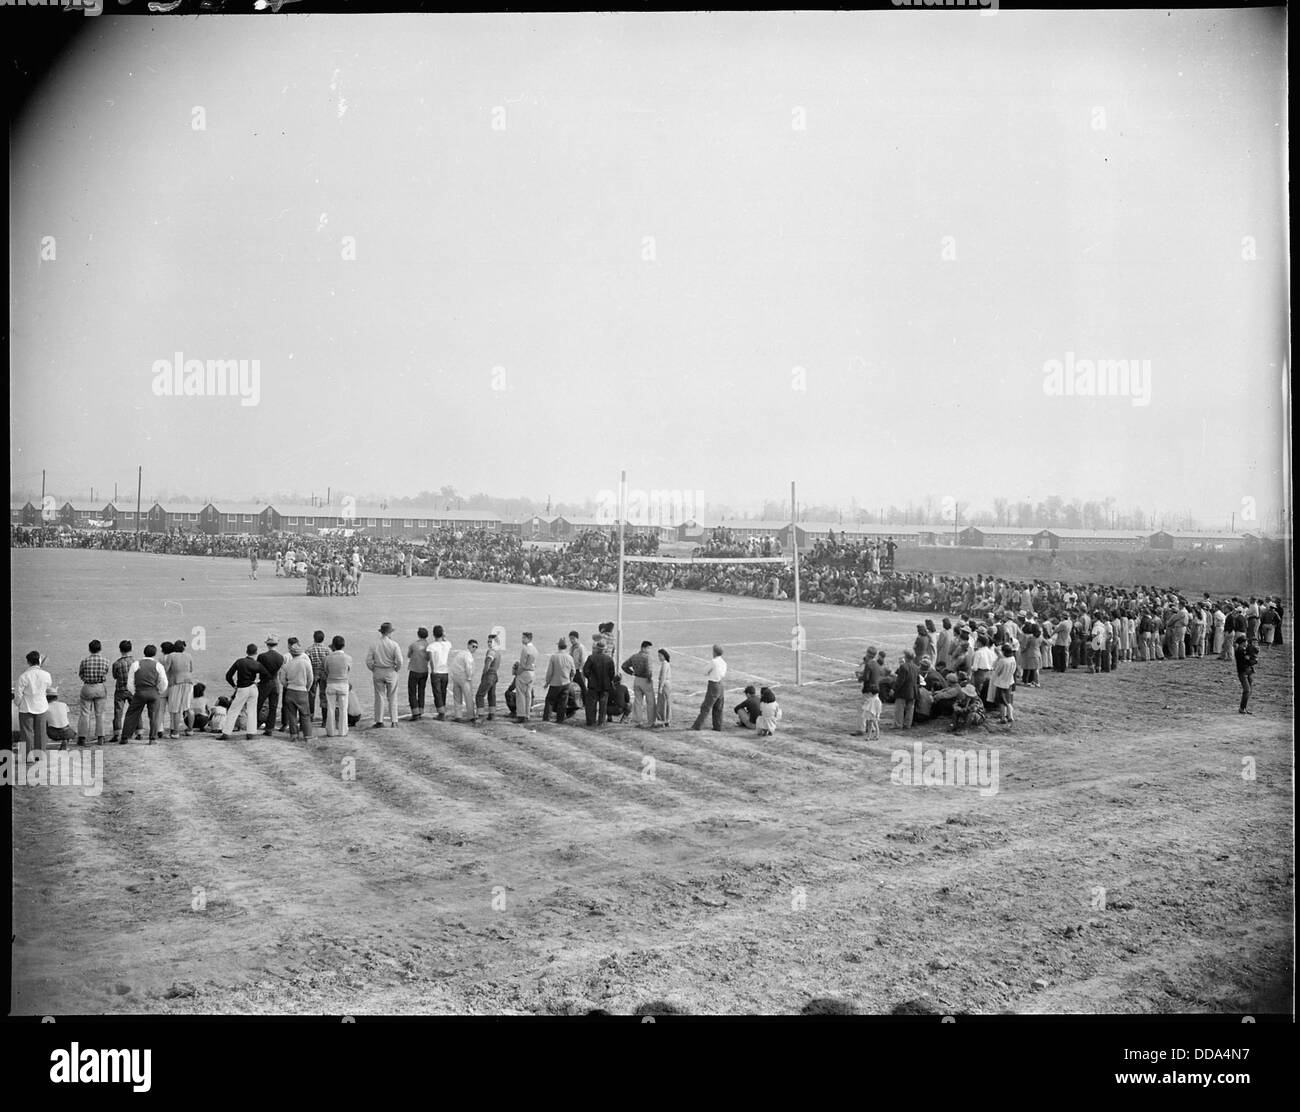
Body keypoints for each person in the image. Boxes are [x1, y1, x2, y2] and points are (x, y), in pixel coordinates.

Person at [123, 644, 169, 744]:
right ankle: (152, 738)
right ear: (154, 654)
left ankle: (125, 737)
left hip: (140, 692)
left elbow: (130, 682)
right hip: (153, 692)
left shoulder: (136, 664)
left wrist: (134, 692)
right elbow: (164, 682)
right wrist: (159, 691)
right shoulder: (158, 665)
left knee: (131, 714)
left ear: (144, 652)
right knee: (154, 716)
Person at [222, 644, 267, 741]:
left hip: (242, 688)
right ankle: (251, 733)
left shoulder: (240, 662)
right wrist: (258, 682)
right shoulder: (257, 664)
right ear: (256, 653)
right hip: (253, 688)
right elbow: (266, 675)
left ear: (247, 652)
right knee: (252, 711)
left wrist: (234, 686)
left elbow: (228, 676)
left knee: (233, 710)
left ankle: (226, 733)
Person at [366, 621, 402, 728]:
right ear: (390, 632)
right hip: (391, 670)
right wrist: (396, 669)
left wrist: (373, 669)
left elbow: (368, 660)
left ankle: (379, 721)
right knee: (392, 696)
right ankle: (394, 721)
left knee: (379, 696)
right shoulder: (394, 644)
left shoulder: (374, 644)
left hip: (378, 670)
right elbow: (400, 660)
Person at [15, 650, 53, 751]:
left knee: (26, 734)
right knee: (41, 733)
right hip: (41, 706)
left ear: (28, 662)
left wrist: (18, 704)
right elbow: (48, 686)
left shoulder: (23, 676)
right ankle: (40, 755)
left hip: (26, 707)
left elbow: (18, 695)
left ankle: (28, 756)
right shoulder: (46, 675)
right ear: (39, 661)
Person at [76, 639, 110, 747]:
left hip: (87, 687)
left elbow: (81, 674)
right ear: (100, 649)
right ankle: (101, 737)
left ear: (89, 649)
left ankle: (82, 737)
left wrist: (87, 679)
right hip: (100, 686)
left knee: (85, 713)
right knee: (100, 713)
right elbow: (105, 673)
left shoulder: (84, 661)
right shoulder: (106, 661)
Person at [282, 640, 315, 739]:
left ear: (291, 653)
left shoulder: (287, 664)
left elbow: (282, 679)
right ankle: (308, 736)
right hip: (302, 690)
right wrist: (307, 688)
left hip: (290, 690)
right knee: (305, 714)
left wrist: (287, 686)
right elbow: (311, 679)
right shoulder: (306, 663)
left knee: (292, 715)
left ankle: (293, 735)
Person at [690, 644, 727, 732]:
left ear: (714, 652)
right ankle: (718, 726)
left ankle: (698, 725)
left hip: (713, 684)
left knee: (706, 706)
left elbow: (704, 671)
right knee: (718, 706)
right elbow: (723, 674)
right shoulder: (724, 662)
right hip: (720, 684)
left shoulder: (714, 662)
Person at [621, 640, 657, 728]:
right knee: (650, 701)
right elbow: (649, 670)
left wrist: (632, 673)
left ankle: (637, 720)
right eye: (648, 648)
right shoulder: (647, 657)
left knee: (638, 701)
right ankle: (651, 720)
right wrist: (649, 678)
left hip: (637, 680)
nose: (649, 650)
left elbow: (624, 666)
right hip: (645, 680)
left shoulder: (634, 656)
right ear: (644, 648)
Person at [166, 637, 195, 737]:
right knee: (188, 707)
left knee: (176, 709)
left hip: (176, 683)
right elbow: (191, 669)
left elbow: (166, 669)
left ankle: (176, 732)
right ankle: (190, 730)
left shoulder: (171, 655)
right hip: (189, 682)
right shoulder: (189, 655)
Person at [582, 640, 616, 726]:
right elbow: (612, 673)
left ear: (597, 648)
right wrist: (608, 680)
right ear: (604, 649)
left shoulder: (591, 658)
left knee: (591, 705)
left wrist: (590, 678)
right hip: (605, 685)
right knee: (603, 705)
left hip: (593, 685)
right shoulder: (609, 659)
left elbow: (585, 671)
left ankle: (591, 721)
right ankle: (601, 722)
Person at [256, 636, 285, 736]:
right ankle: (269, 728)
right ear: (276, 645)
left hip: (264, 682)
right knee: (273, 706)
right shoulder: (281, 657)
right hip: (275, 682)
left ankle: (254, 725)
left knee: (258, 704)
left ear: (267, 645)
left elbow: (258, 669)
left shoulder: (262, 656)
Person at [542, 637, 576, 722]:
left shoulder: (554, 657)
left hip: (555, 683)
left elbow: (550, 672)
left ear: (558, 647)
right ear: (566, 647)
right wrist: (570, 679)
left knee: (549, 700)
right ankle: (560, 719)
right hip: (566, 683)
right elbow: (573, 671)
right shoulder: (570, 657)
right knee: (563, 701)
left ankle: (546, 718)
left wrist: (547, 682)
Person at [324, 635, 353, 736]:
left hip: (331, 684)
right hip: (343, 684)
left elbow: (326, 670)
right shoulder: (348, 658)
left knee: (331, 708)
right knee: (343, 708)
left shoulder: (328, 658)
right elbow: (348, 670)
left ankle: (330, 731)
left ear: (333, 646)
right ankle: (343, 731)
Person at [110, 639, 136, 743]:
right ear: (131, 649)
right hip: (133, 689)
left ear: (120, 650)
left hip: (120, 690)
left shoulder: (116, 663)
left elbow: (115, 676)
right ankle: (138, 732)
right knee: (135, 710)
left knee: (118, 712)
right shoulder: (135, 662)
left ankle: (117, 734)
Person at [425, 625, 451, 720]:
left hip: (436, 672)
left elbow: (430, 660)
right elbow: (445, 640)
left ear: (433, 634)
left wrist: (432, 670)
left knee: (437, 693)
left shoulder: (431, 646)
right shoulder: (447, 644)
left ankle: (441, 713)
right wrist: (443, 636)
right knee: (443, 692)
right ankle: (442, 710)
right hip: (445, 671)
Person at [450, 639, 478, 722]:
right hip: (464, 678)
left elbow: (453, 665)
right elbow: (468, 667)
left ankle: (458, 716)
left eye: (476, 647)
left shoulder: (460, 653)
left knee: (457, 697)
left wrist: (453, 676)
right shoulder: (468, 655)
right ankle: (471, 716)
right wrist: (469, 677)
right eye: (473, 646)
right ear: (468, 645)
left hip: (456, 677)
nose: (475, 648)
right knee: (468, 697)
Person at [476, 634, 502, 721]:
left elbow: (487, 663)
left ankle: (480, 715)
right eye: (488, 641)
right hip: (495, 674)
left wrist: (484, 674)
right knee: (491, 695)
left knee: (480, 695)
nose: (489, 643)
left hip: (489, 674)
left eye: (491, 642)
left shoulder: (491, 652)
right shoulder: (498, 652)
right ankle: (492, 714)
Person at [307, 630, 330, 727]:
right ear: (323, 638)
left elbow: (307, 663)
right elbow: (329, 662)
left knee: (311, 696)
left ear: (314, 638)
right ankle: (324, 720)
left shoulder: (309, 650)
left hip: (313, 671)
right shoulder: (327, 650)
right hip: (324, 672)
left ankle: (310, 717)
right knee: (324, 695)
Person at [990, 642, 1017, 725]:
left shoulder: (1002, 661)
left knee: (1002, 701)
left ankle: (1003, 717)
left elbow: (997, 671)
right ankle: (1010, 716)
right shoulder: (1013, 659)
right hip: (1009, 681)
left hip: (1001, 682)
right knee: (1008, 700)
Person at [513, 632, 538, 722]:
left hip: (525, 672)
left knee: (520, 694)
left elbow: (523, 664)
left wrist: (517, 674)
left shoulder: (525, 649)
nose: (522, 639)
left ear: (528, 639)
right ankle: (527, 714)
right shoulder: (535, 649)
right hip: (532, 672)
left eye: (523, 638)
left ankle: (521, 715)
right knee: (528, 694)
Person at [406, 627, 430, 721]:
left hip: (414, 670)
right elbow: (428, 658)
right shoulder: (428, 645)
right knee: (421, 690)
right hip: (424, 670)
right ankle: (420, 710)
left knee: (412, 691)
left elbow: (408, 655)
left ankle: (415, 712)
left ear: (418, 634)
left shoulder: (413, 645)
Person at [892, 650, 918, 730]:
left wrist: (894, 689)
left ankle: (898, 724)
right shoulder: (916, 667)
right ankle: (907, 724)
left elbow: (900, 681)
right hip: (912, 691)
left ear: (906, 657)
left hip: (903, 691)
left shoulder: (903, 666)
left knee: (899, 709)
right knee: (910, 709)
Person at [1234, 635, 1258, 715]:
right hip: (1244, 672)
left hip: (1246, 671)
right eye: (1246, 642)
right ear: (1243, 643)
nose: (1247, 643)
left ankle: (1244, 707)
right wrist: (1254, 660)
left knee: (1249, 690)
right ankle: (1242, 708)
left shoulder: (1241, 650)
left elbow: (1249, 660)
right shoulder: (1241, 651)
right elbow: (1248, 661)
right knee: (1247, 690)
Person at [653, 648, 672, 728]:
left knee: (662, 703)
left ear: (664, 656)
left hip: (664, 684)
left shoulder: (664, 663)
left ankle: (662, 720)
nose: (659, 657)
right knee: (667, 702)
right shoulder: (667, 663)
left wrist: (660, 687)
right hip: (667, 684)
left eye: (660, 656)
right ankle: (667, 720)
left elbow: (663, 676)